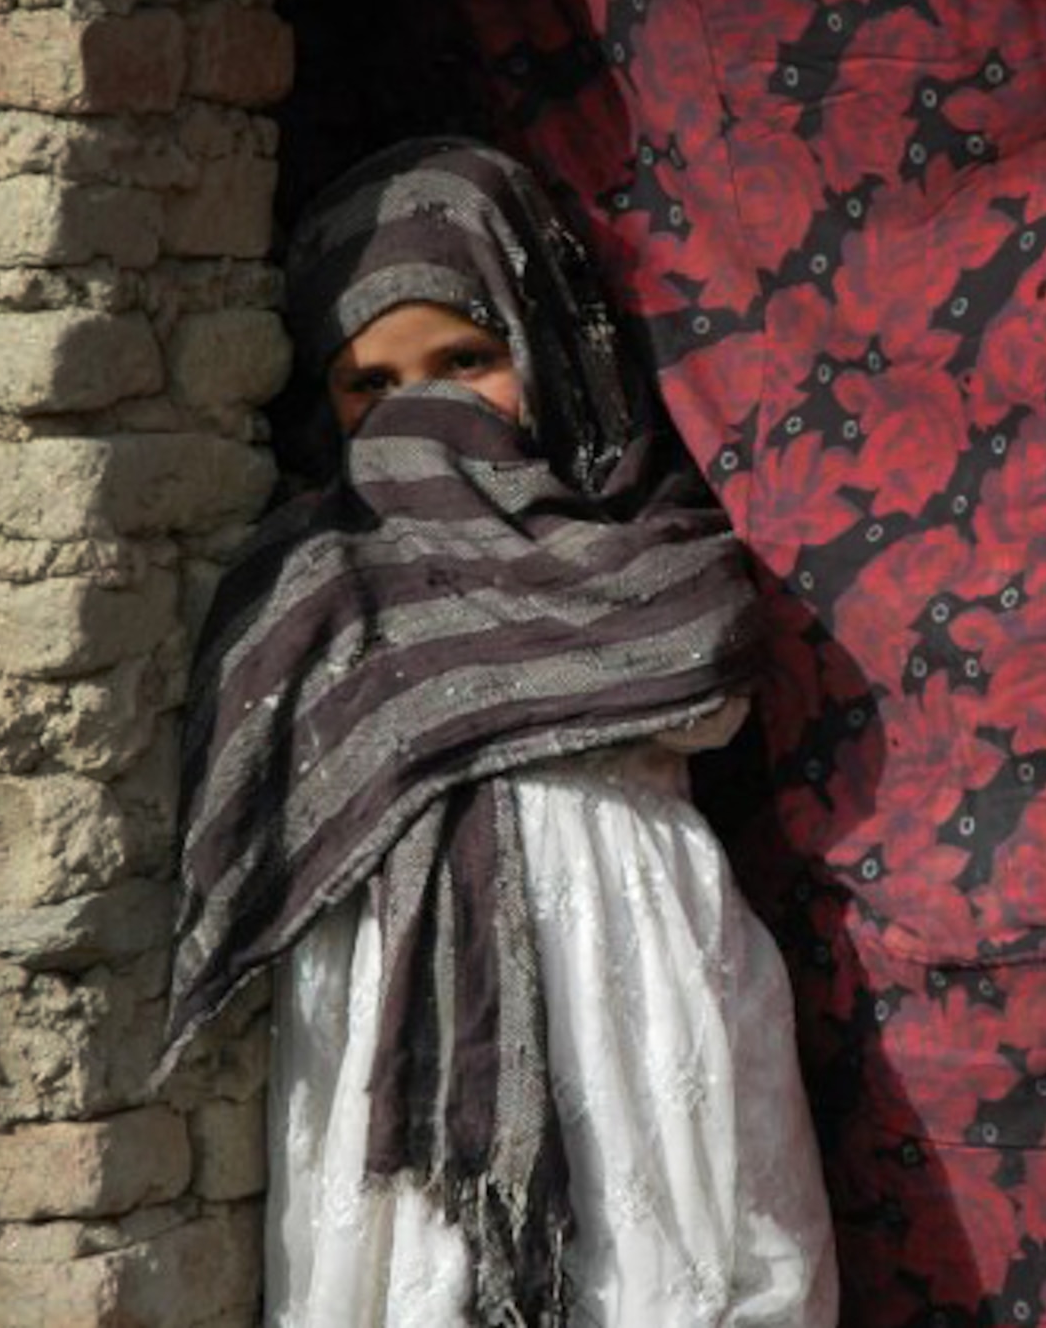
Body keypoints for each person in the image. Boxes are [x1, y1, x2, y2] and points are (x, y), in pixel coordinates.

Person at [161, 139, 837, 1327]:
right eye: (371, 385)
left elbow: (708, 685)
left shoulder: (651, 553)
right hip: (393, 1004)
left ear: (548, 345)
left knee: (671, 1254)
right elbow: (264, 805)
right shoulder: (313, 579)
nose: (421, 410)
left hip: (633, 958)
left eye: (466, 362)